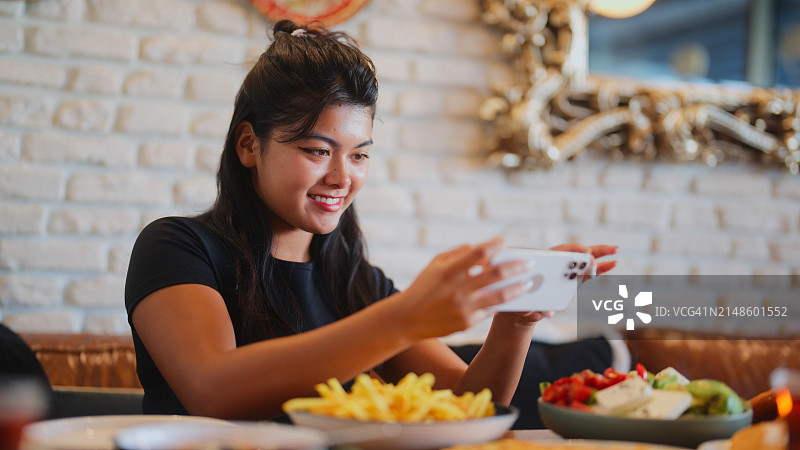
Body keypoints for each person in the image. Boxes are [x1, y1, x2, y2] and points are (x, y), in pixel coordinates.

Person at [124, 19, 617, 421]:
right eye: (318, 150)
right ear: (249, 145)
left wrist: (515, 323)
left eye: (359, 155)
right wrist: (404, 318)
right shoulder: (177, 247)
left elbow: (468, 406)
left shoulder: (356, 282)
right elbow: (213, 391)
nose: (342, 178)